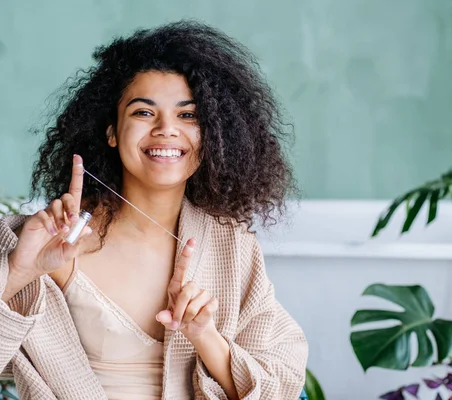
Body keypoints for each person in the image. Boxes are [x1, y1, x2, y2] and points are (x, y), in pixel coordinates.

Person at [0, 20, 308, 399]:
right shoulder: (47, 243)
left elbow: (280, 386)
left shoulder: (234, 248)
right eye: (144, 113)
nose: (166, 129)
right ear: (111, 131)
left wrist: (205, 336)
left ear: (212, 136)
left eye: (188, 115)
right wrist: (16, 273)